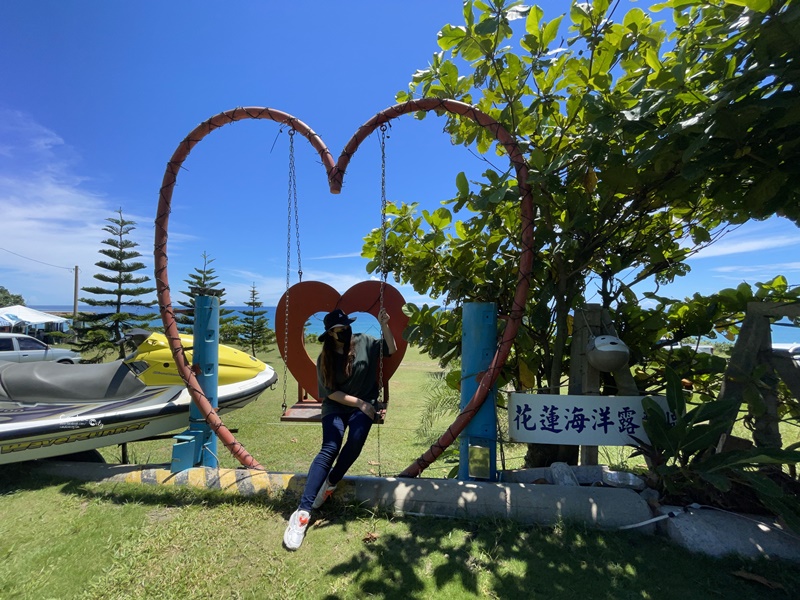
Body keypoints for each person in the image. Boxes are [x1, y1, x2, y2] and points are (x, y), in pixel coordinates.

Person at [283, 307, 397, 551]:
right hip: (338, 406)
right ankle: (302, 513)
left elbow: (391, 349)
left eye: (346, 328)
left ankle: (331, 482)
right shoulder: (325, 358)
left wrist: (384, 325)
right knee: (330, 447)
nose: (344, 333)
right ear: (329, 334)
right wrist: (361, 403)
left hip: (363, 408)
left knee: (354, 442)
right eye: (338, 331)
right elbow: (330, 393)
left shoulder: (364, 342)